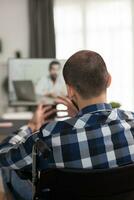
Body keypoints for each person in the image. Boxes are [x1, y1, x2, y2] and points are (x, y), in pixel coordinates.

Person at [1, 50, 134, 199]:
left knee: (11, 170)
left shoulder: (48, 136)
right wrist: (80, 116)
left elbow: (4, 158)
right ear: (109, 80)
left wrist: (30, 126)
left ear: (70, 91)